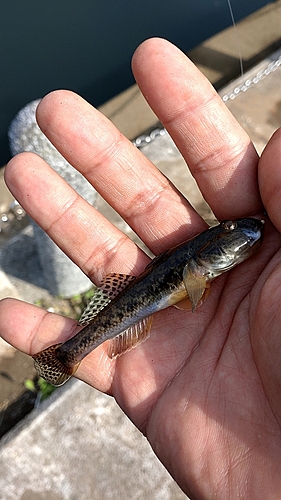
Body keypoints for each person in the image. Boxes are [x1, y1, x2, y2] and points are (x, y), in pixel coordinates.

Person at [1, 38, 281, 499]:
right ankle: (68, 354)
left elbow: (202, 278)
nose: (241, 235)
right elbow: (196, 282)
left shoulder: (215, 261)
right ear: (209, 253)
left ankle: (68, 354)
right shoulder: (203, 265)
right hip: (145, 298)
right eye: (229, 234)